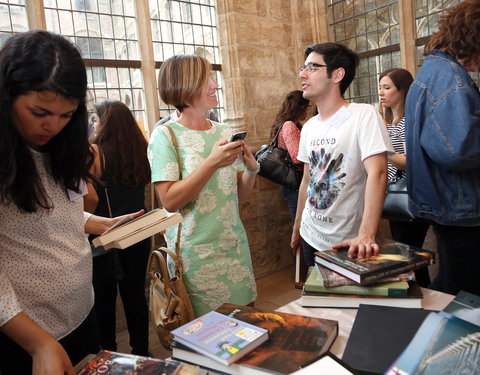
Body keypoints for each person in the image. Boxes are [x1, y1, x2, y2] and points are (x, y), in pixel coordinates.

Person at [0, 30, 142, 375]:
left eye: (67, 115)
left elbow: (55, 213)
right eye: (40, 112)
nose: (53, 126)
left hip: (80, 312)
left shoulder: (63, 146)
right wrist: (36, 342)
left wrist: (101, 224)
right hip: (23, 331)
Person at [148, 54, 258, 317]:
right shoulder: (166, 136)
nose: (215, 84)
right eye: (207, 79)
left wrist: (252, 170)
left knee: (246, 327)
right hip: (195, 258)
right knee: (207, 339)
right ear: (186, 85)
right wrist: (211, 163)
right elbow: (170, 201)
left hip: (234, 248)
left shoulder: (223, 131)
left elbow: (239, 196)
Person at [291, 42, 393, 266]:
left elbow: (378, 173)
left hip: (346, 241)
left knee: (348, 300)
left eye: (312, 67)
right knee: (318, 299)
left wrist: (366, 234)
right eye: (302, 67)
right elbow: (307, 179)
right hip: (310, 233)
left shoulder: (363, 115)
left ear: (337, 75)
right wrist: (298, 224)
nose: (302, 74)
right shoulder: (309, 126)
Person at [405, 0, 480, 296]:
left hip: (444, 202)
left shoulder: (432, 71)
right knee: (466, 297)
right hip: (460, 206)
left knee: (449, 286)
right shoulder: (450, 78)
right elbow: (457, 149)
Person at [83, 100, 151, 356]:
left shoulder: (95, 152)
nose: (94, 124)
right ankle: (142, 352)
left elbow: (89, 200)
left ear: (105, 122)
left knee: (104, 300)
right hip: (138, 232)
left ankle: (109, 355)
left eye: (97, 119)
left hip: (105, 235)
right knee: (135, 296)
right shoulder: (141, 148)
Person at [378, 68, 431, 287]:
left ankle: (423, 296)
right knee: (405, 255)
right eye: (380, 87)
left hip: (410, 194)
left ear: (402, 90)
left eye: (387, 87)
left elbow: (413, 162)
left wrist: (385, 152)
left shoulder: (409, 121)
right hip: (393, 195)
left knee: (410, 257)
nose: (381, 92)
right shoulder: (390, 121)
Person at [270, 90, 310, 222]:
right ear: (302, 108)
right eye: (308, 107)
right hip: (294, 183)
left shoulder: (292, 124)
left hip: (294, 183)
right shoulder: (289, 125)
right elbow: (297, 157)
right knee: (300, 223)